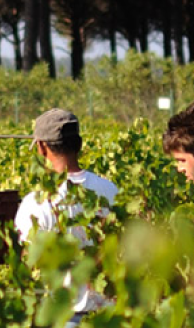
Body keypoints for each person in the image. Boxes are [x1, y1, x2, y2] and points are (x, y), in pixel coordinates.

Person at [13, 107, 119, 316]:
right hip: (110, 318)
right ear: (79, 145)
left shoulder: (35, 203)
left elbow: (27, 261)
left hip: (62, 318)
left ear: (42, 148)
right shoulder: (111, 191)